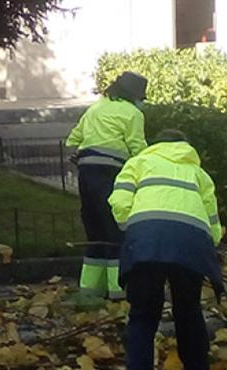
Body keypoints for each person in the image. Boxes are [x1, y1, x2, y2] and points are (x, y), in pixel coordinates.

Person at [109, 129, 223, 370]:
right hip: (190, 245)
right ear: (185, 146)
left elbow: (119, 201)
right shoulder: (199, 174)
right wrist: (211, 244)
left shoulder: (137, 163)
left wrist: (132, 229)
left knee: (143, 312)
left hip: (146, 243)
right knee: (189, 309)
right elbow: (212, 220)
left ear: (155, 144)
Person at [65, 71, 148, 299]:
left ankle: (89, 291)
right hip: (111, 174)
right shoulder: (133, 114)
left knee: (95, 233)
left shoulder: (96, 108)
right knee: (114, 232)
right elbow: (137, 147)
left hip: (86, 172)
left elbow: (74, 139)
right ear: (135, 95)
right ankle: (118, 291)